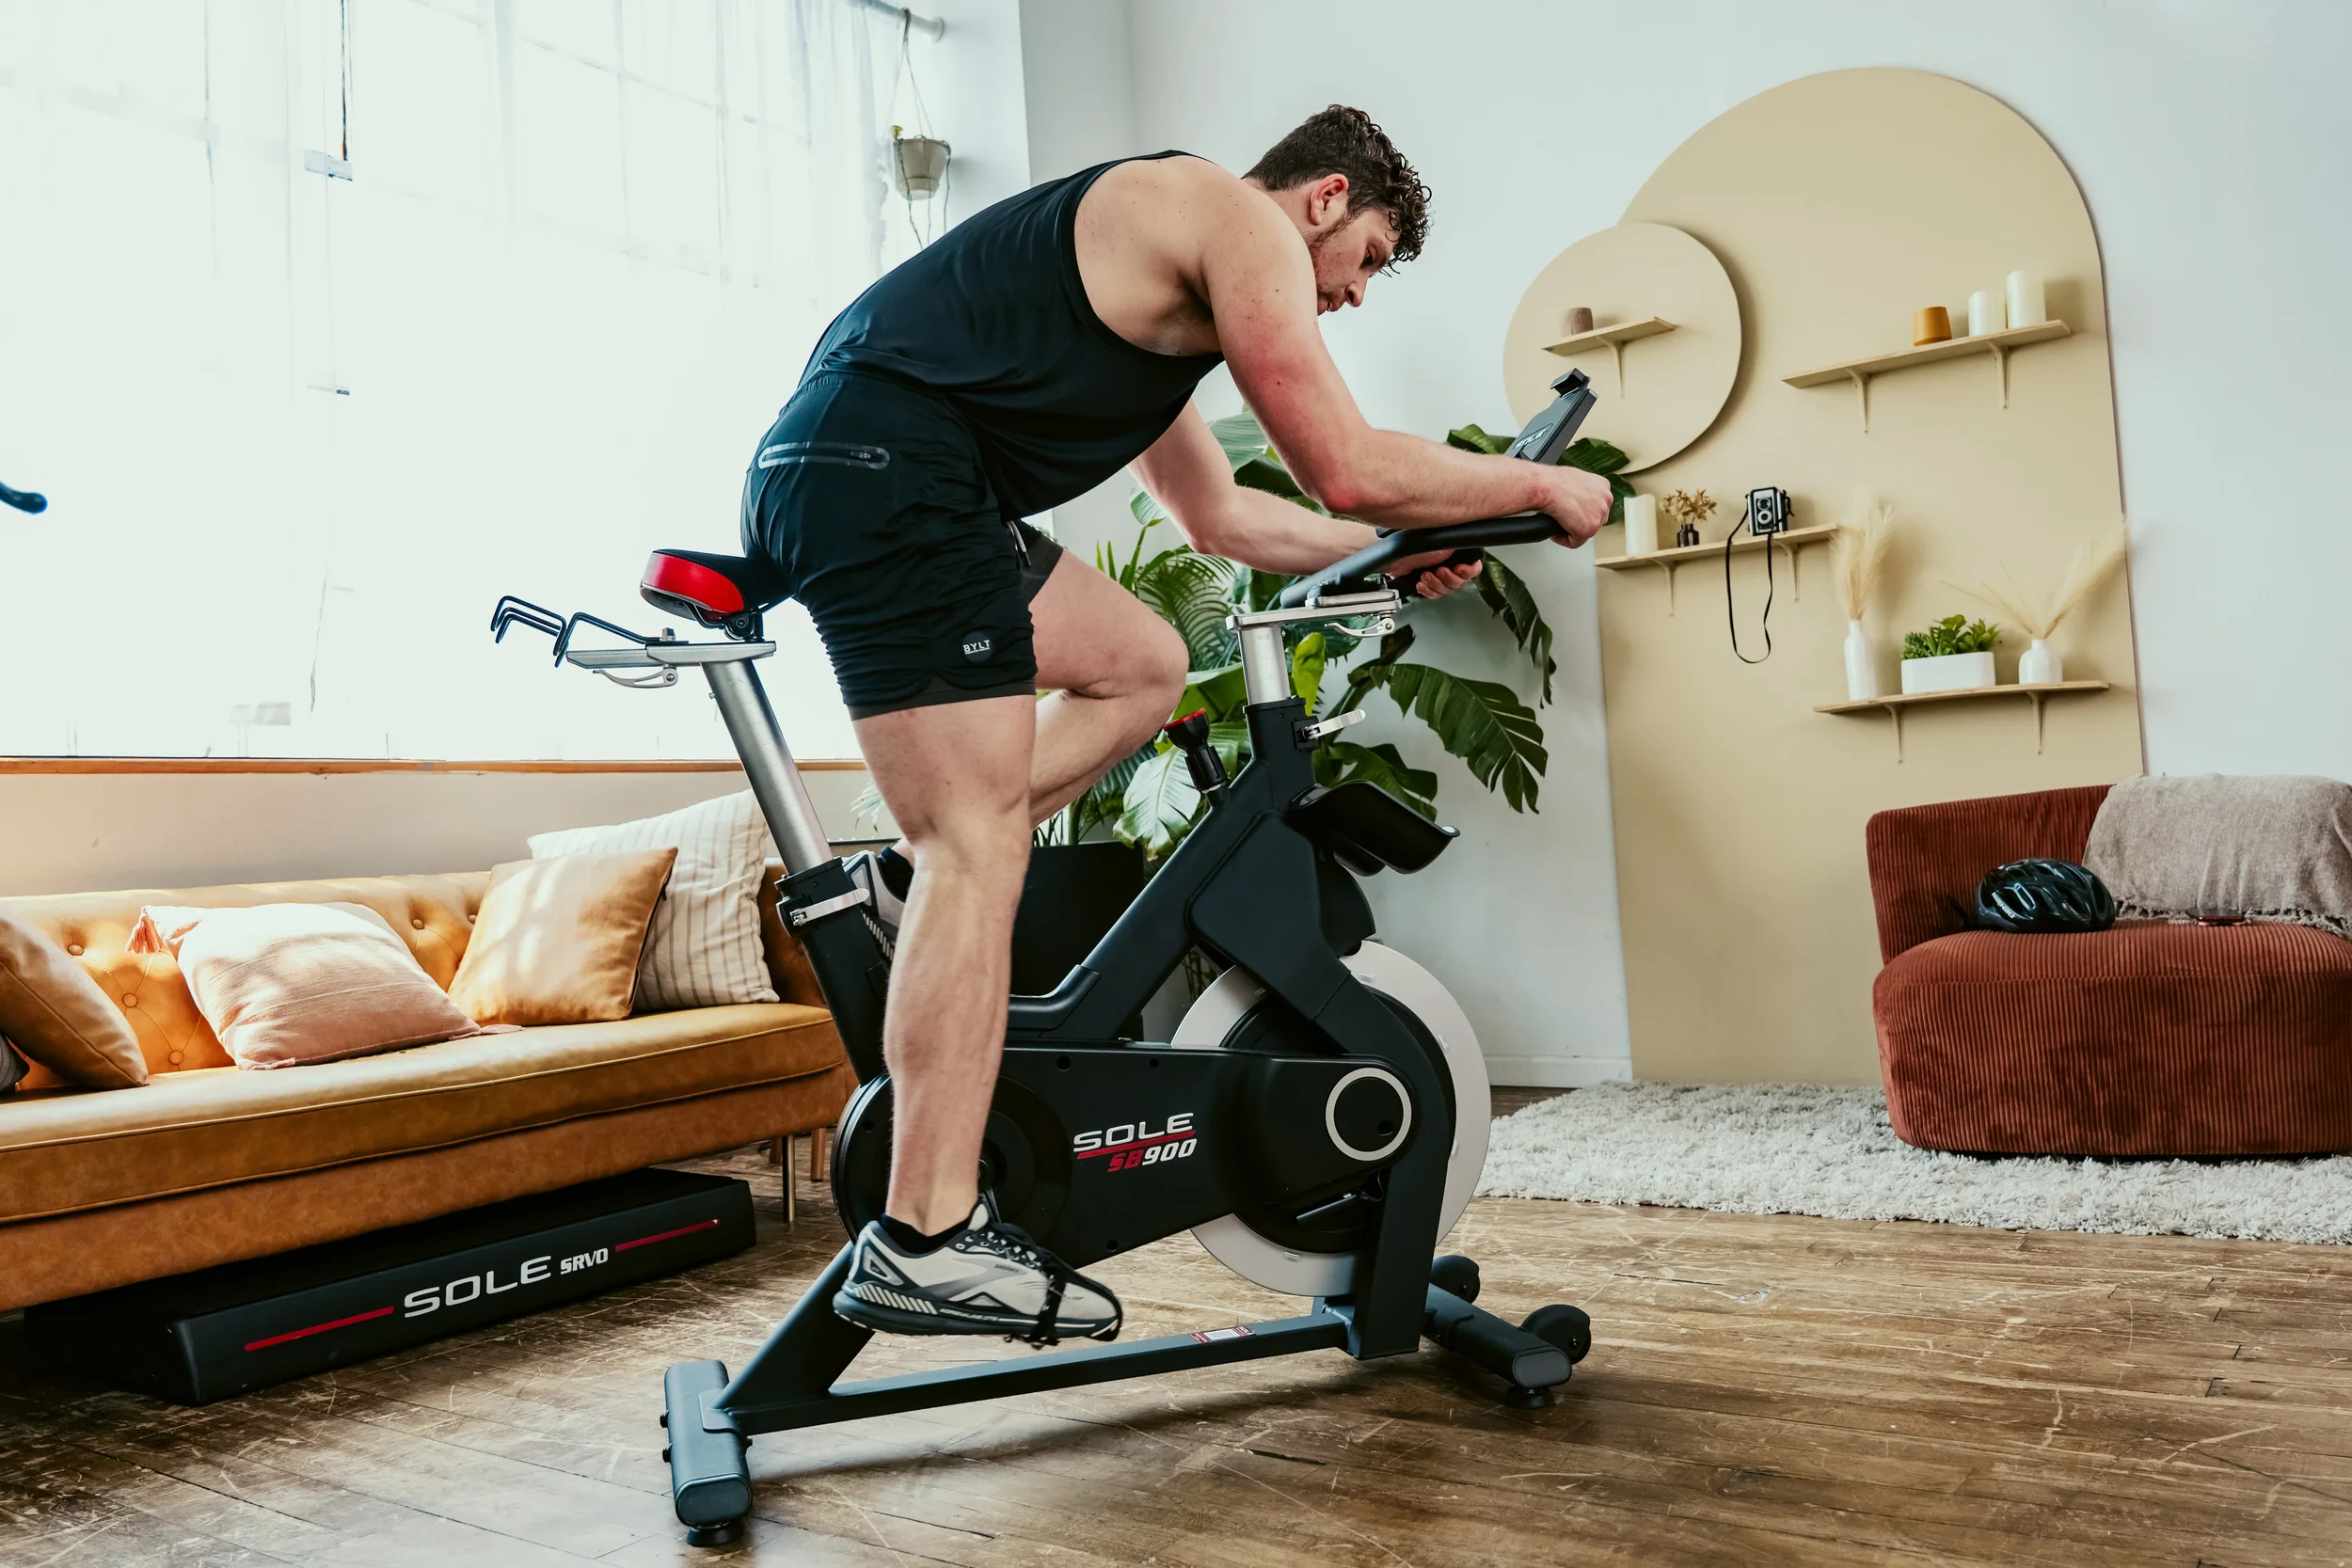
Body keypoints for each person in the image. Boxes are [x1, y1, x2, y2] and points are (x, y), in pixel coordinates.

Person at [740, 105, 1613, 1344]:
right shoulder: (1227, 213)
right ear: (1318, 201)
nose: (1354, 298)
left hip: (884, 472)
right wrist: (1531, 483)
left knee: (1142, 662)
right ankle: (926, 1235)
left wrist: (1398, 551)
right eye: (1363, 260)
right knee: (978, 841)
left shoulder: (1150, 318)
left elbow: (1233, 524)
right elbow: (1346, 463)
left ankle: (899, 880)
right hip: (887, 473)